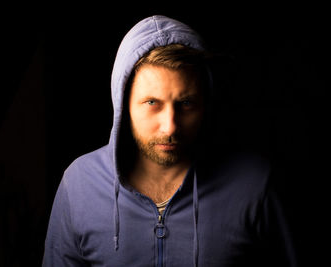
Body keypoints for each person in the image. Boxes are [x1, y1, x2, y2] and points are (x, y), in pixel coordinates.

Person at [42, 15, 297, 266]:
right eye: (152, 103)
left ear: (205, 103)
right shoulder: (79, 184)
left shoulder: (254, 184)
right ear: (123, 104)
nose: (170, 126)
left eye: (186, 103)